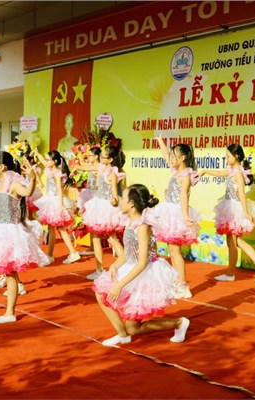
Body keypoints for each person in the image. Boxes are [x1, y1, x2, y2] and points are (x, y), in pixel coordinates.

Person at [93, 184, 190, 347]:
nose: (120, 201)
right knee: (100, 292)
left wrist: (120, 285)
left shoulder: (142, 227)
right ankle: (122, 335)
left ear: (131, 203)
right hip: (131, 268)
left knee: (133, 328)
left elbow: (142, 262)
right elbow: (129, 253)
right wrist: (115, 266)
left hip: (145, 273)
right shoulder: (130, 223)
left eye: (123, 198)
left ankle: (179, 323)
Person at [0, 152, 48, 323]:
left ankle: (9, 312)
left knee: (10, 273)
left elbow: (28, 191)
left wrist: (33, 177)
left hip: (10, 233)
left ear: (2, 167)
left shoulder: (13, 184)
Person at [200, 144, 255, 283]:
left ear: (236, 156)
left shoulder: (238, 173)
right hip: (230, 207)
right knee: (236, 241)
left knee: (233, 242)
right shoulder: (233, 171)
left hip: (234, 209)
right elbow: (219, 173)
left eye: (228, 156)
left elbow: (241, 194)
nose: (226, 159)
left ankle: (231, 273)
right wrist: (205, 171)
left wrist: (246, 213)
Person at [144, 134, 201, 299]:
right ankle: (178, 283)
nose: (170, 158)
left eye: (174, 156)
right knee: (172, 250)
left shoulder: (185, 176)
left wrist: (185, 216)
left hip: (176, 214)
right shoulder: (177, 172)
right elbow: (165, 155)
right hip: (170, 210)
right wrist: (160, 141)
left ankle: (182, 285)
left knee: (175, 251)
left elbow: (184, 196)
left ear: (182, 158)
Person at [71, 145, 126, 280]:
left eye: (103, 156)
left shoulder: (112, 174)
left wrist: (114, 200)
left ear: (110, 159)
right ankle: (100, 268)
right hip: (98, 206)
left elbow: (114, 195)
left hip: (105, 208)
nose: (100, 157)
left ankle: (124, 264)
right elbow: (87, 167)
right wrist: (77, 167)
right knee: (98, 237)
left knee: (111, 238)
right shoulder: (101, 168)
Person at [32, 149, 80, 265]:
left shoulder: (57, 173)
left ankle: (73, 253)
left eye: (49, 160)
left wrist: (61, 204)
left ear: (54, 161)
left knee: (61, 229)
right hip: (51, 200)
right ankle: (50, 255)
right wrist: (37, 153)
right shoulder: (50, 170)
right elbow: (43, 162)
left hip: (55, 201)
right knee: (51, 229)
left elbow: (59, 189)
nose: (46, 162)